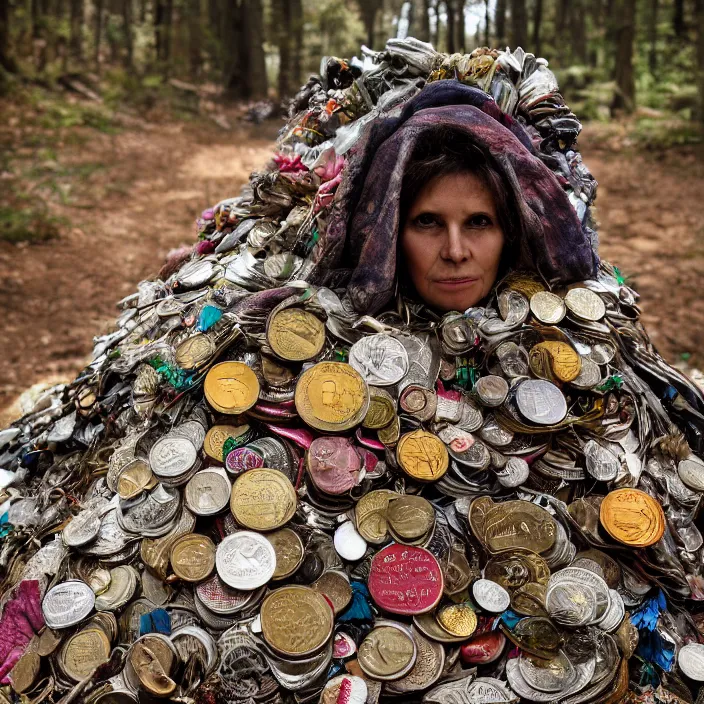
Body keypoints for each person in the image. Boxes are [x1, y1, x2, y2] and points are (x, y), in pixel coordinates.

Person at [1, 40, 704, 704]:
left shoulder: (572, 354)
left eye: (479, 223)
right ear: (388, 227)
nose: (456, 251)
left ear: (513, 228)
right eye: (429, 223)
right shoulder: (304, 334)